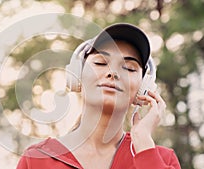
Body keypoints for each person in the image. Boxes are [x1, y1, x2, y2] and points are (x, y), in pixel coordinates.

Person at [16, 23, 181, 169]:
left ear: (143, 87)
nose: (113, 73)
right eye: (101, 63)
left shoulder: (162, 160)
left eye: (129, 68)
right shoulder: (37, 160)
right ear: (77, 75)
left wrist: (143, 143)